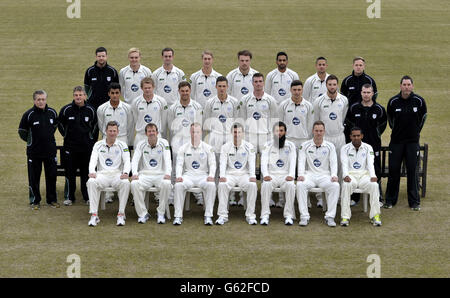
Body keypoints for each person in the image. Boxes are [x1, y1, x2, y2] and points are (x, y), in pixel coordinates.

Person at [384, 76, 427, 211]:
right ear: (400, 86)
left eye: (409, 84)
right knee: (394, 171)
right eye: (404, 84)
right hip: (396, 142)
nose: (406, 87)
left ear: (412, 86)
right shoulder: (393, 102)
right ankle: (390, 200)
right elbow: (390, 121)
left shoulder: (419, 101)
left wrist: (414, 132)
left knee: (412, 171)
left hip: (412, 142)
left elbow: (422, 119)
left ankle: (414, 202)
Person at [345, 84, 387, 206]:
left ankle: (378, 197)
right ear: (361, 93)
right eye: (364, 92)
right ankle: (355, 197)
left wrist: (376, 134)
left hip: (374, 144)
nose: (366, 95)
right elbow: (349, 123)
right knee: (356, 168)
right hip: (357, 146)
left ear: (373, 93)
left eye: (369, 92)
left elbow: (383, 124)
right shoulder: (354, 108)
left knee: (376, 169)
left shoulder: (379, 109)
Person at [18, 90, 59, 210]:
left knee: (51, 177)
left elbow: (55, 127)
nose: (41, 102)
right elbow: (22, 132)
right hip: (34, 153)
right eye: (38, 99)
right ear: (34, 100)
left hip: (50, 152)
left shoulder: (52, 112)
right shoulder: (29, 114)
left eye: (43, 99)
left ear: (46, 99)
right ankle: (35, 201)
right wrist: (31, 141)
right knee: (34, 178)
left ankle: (52, 200)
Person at [312, 74, 348, 207]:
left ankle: (337, 196)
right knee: (323, 167)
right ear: (326, 85)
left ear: (337, 85)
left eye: (334, 84)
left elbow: (343, 117)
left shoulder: (344, 100)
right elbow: (316, 120)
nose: (332, 87)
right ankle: (321, 197)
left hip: (339, 137)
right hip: (324, 138)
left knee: (339, 166)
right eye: (330, 84)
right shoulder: (319, 101)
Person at [58, 86, 97, 206]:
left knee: (86, 173)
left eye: (80, 95)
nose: (78, 97)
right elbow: (60, 124)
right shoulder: (66, 110)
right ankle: (69, 197)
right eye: (76, 95)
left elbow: (95, 127)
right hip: (70, 148)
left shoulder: (91, 110)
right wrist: (66, 135)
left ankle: (87, 197)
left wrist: (90, 140)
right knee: (70, 173)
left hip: (86, 148)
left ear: (85, 96)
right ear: (73, 96)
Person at [86, 121, 131, 226]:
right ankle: (94, 215)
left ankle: (121, 214)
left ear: (118, 132)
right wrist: (92, 172)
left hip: (117, 175)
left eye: (114, 131)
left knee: (125, 183)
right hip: (102, 175)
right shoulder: (98, 144)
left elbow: (127, 160)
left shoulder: (122, 145)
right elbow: (93, 160)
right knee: (91, 181)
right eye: (110, 131)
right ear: (106, 131)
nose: (112, 133)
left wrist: (125, 172)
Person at [297, 121, 340, 227]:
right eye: (316, 130)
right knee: (300, 185)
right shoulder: (305, 145)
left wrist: (334, 175)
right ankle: (304, 216)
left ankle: (330, 217)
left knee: (335, 186)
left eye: (321, 131)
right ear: (313, 131)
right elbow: (301, 161)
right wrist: (301, 174)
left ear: (324, 131)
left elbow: (333, 162)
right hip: (309, 175)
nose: (319, 133)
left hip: (325, 175)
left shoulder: (330, 146)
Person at [167, 81, 203, 205]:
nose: (185, 93)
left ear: (190, 91)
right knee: (175, 168)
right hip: (177, 141)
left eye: (187, 91)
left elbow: (199, 125)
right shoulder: (173, 108)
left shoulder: (197, 106)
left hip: (192, 141)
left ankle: (198, 194)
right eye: (182, 91)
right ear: (179, 91)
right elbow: (170, 126)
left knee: (193, 166)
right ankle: (172, 195)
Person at [173, 123, 216, 226]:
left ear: (201, 133)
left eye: (197, 132)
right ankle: (178, 216)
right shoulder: (183, 148)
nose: (195, 134)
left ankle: (208, 216)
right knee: (178, 185)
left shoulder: (208, 147)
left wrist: (211, 175)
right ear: (190, 133)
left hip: (203, 176)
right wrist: (179, 176)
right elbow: (179, 164)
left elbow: (212, 163)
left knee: (211, 185)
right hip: (188, 176)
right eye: (193, 132)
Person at [130, 123, 172, 224]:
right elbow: (135, 160)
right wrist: (135, 173)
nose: (151, 133)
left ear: (157, 132)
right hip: (145, 174)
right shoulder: (141, 144)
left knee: (167, 184)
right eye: (149, 131)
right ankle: (143, 214)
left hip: (160, 174)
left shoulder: (164, 143)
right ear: (146, 133)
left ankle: (161, 213)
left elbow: (168, 159)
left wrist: (168, 173)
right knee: (134, 184)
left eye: (153, 131)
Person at [217, 123, 258, 225]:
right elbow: (222, 162)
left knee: (252, 185)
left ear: (243, 133)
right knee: (222, 184)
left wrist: (252, 176)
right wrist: (222, 176)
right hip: (230, 174)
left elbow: (252, 162)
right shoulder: (225, 147)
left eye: (239, 132)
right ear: (231, 133)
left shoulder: (249, 146)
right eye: (235, 132)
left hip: (244, 174)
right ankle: (222, 215)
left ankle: (250, 215)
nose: (237, 134)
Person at [340, 127, 382, 226]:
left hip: (364, 176)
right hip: (351, 176)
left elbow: (370, 164)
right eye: (354, 136)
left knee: (374, 185)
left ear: (362, 136)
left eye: (358, 136)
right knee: (346, 185)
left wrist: (373, 176)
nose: (356, 138)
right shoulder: (344, 148)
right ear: (350, 137)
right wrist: (345, 175)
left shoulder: (368, 148)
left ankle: (375, 216)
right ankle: (345, 217)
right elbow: (344, 164)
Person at [260, 122, 297, 225]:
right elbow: (263, 161)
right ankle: (265, 215)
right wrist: (265, 174)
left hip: (285, 175)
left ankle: (289, 215)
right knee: (265, 185)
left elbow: (293, 161)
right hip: (272, 175)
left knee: (291, 185)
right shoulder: (267, 145)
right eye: (277, 131)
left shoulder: (291, 145)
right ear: (273, 132)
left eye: (281, 131)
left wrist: (291, 175)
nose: (279, 133)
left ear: (285, 132)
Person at [132, 77, 168, 149]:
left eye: (149, 88)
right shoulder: (136, 102)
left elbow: (164, 119)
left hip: (156, 135)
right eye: (145, 88)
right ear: (141, 88)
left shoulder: (161, 101)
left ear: (153, 87)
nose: (147, 90)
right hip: (141, 136)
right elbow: (136, 118)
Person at [278, 80, 314, 149]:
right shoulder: (283, 105)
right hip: (288, 139)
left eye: (299, 90)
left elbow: (310, 125)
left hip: (303, 139)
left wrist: (308, 140)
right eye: (294, 90)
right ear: (290, 90)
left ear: (302, 90)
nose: (297, 92)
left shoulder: (308, 106)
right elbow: (280, 123)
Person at [84, 47, 119, 111]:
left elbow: (116, 89)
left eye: (103, 56)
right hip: (93, 104)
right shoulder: (89, 71)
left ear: (106, 56)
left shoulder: (112, 71)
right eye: (99, 56)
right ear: (96, 57)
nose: (101, 58)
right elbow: (87, 88)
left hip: (108, 104)